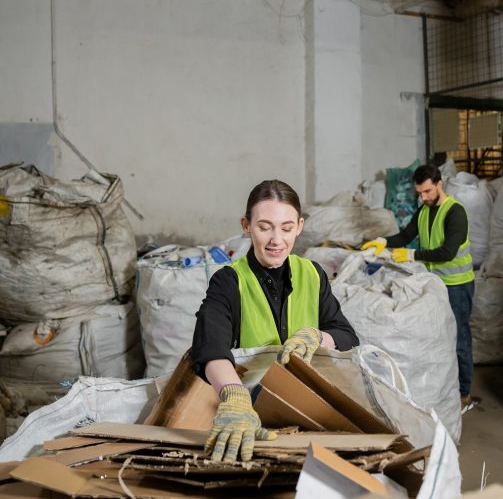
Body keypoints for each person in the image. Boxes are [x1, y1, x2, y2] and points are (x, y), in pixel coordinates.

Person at [192, 179, 359, 463]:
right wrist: (234, 397)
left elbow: (345, 335)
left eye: (286, 228)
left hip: (307, 406)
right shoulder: (229, 281)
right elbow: (210, 345)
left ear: (300, 226)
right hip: (250, 415)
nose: (276, 240)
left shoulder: (312, 274)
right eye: (264, 226)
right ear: (246, 225)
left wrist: (316, 337)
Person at [362, 163, 476, 413]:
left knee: (459, 339)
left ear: (439, 184)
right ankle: (444, 388)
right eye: (420, 193)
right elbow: (405, 236)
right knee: (439, 337)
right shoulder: (424, 210)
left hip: (457, 285)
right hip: (434, 285)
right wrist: (383, 241)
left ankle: (464, 393)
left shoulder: (455, 212)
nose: (423, 197)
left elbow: (447, 252)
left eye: (427, 192)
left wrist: (412, 255)